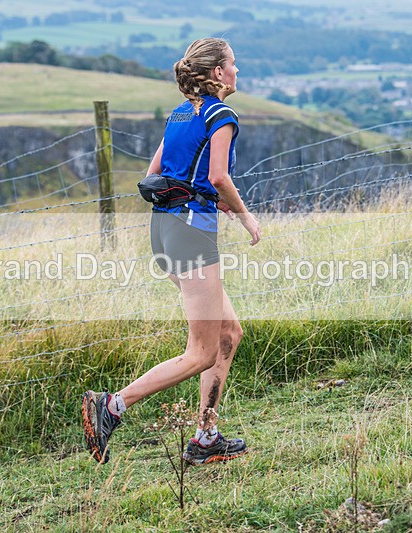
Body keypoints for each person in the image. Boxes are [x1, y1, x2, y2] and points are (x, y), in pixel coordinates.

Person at [82, 37, 261, 466]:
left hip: (164, 229)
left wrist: (201, 193)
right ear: (218, 73)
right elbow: (218, 175)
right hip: (191, 234)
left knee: (227, 335)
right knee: (200, 352)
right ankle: (110, 406)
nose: (238, 71)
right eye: (233, 64)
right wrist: (245, 215)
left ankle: (205, 437)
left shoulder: (180, 114)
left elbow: (155, 173)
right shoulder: (222, 115)